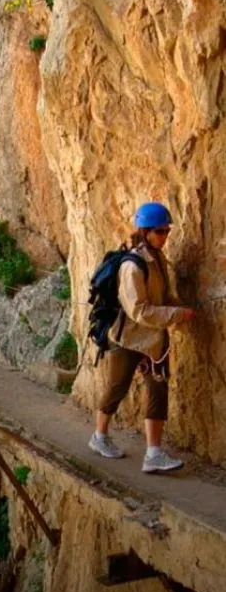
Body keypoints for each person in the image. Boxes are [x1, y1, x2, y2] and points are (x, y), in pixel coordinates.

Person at [88, 202, 196, 472]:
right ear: (146, 231)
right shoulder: (133, 266)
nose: (165, 237)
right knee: (117, 387)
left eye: (167, 231)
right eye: (160, 232)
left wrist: (180, 309)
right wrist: (175, 314)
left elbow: (162, 296)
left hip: (153, 340)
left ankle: (154, 453)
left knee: (158, 390)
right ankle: (99, 436)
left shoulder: (157, 258)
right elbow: (138, 310)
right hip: (128, 339)